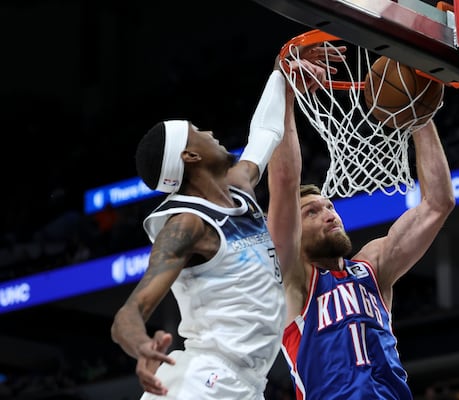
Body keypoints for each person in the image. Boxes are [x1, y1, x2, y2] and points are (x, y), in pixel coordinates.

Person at [110, 50, 332, 400]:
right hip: (203, 381)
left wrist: (280, 75)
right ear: (190, 156)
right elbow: (128, 314)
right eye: (197, 132)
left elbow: (266, 132)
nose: (209, 131)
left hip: (245, 384)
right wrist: (142, 347)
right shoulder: (186, 225)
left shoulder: (239, 186)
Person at [267, 84, 455, 398]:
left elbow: (438, 203)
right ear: (293, 231)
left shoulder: (372, 268)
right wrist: (286, 92)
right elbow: (285, 180)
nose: (330, 214)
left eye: (329, 206)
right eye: (312, 212)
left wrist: (420, 116)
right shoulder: (295, 282)